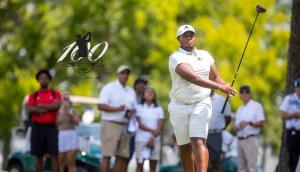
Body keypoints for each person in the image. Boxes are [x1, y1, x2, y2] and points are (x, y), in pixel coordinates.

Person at [168, 24, 237, 172]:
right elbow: (192, 77)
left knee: (198, 140)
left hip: (201, 103)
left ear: (195, 38)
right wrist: (220, 87)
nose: (189, 37)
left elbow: (215, 76)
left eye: (191, 35)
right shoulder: (175, 57)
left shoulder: (205, 55)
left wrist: (225, 86)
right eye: (185, 35)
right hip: (179, 105)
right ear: (178, 39)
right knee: (185, 147)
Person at [97, 65, 137, 172]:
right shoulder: (109, 88)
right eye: (122, 73)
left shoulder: (130, 91)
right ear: (117, 74)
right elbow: (100, 105)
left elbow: (133, 108)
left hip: (125, 126)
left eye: (127, 73)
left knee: (121, 156)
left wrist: (131, 112)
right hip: (110, 124)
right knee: (107, 155)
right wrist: (117, 109)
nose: (125, 75)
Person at [27, 69, 61, 172]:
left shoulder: (55, 94)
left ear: (49, 80)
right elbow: (30, 109)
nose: (44, 80)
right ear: (38, 80)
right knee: (38, 156)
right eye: (41, 78)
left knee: (55, 155)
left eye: (46, 78)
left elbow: (56, 105)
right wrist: (49, 108)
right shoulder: (33, 95)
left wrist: (41, 106)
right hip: (37, 128)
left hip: (51, 128)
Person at [233, 85, 265, 172]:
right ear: (240, 95)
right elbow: (235, 128)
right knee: (241, 168)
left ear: (250, 94)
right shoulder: (240, 109)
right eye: (242, 92)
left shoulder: (257, 106)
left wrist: (249, 123)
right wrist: (239, 125)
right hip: (240, 140)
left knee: (251, 168)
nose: (244, 94)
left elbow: (262, 123)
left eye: (247, 92)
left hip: (250, 139)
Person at [135, 86, 164, 172]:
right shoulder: (139, 107)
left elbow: (160, 125)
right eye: (147, 92)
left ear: (154, 96)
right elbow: (140, 124)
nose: (150, 94)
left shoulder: (159, 109)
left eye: (152, 92)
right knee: (139, 165)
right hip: (141, 139)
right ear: (143, 95)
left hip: (155, 140)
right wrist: (153, 131)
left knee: (153, 166)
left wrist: (153, 137)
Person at [125, 76, 148, 171]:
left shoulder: (147, 99)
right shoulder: (130, 97)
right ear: (135, 86)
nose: (141, 86)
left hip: (143, 132)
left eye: (143, 85)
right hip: (131, 131)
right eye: (139, 84)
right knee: (127, 157)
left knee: (141, 159)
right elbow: (126, 112)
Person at [207, 90, 232, 172]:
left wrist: (221, 128)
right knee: (203, 161)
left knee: (216, 162)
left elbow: (228, 118)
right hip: (203, 134)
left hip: (216, 134)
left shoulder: (222, 100)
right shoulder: (200, 99)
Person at [279, 78, 300, 172]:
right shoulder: (289, 99)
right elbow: (282, 115)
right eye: (298, 87)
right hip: (293, 132)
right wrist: (294, 115)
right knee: (293, 159)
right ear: (295, 87)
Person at [56, 93, 80, 172]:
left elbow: (77, 122)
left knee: (71, 162)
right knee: (60, 162)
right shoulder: (56, 112)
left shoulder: (73, 111)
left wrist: (69, 114)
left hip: (71, 136)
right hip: (60, 136)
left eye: (67, 99)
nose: (65, 101)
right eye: (64, 99)